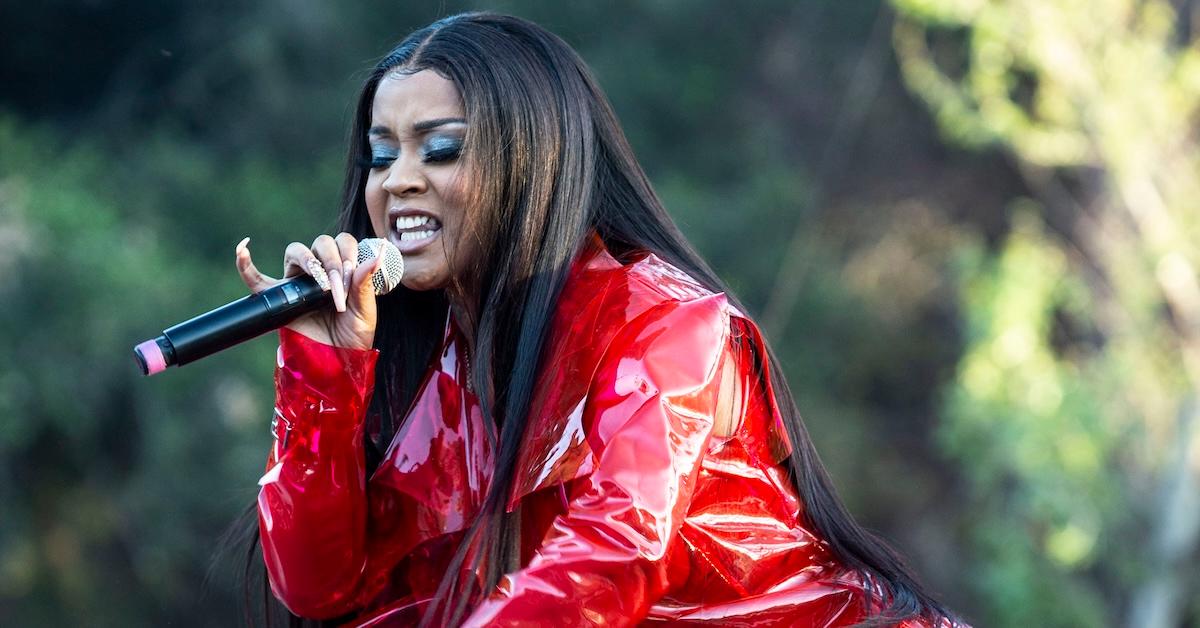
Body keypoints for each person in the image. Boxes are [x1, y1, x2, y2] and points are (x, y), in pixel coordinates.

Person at [232, 12, 959, 627]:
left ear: (533, 160)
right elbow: (317, 585)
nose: (397, 182)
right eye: (381, 155)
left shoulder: (669, 330)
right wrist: (322, 374)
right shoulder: (445, 371)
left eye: (441, 148)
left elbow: (615, 549)